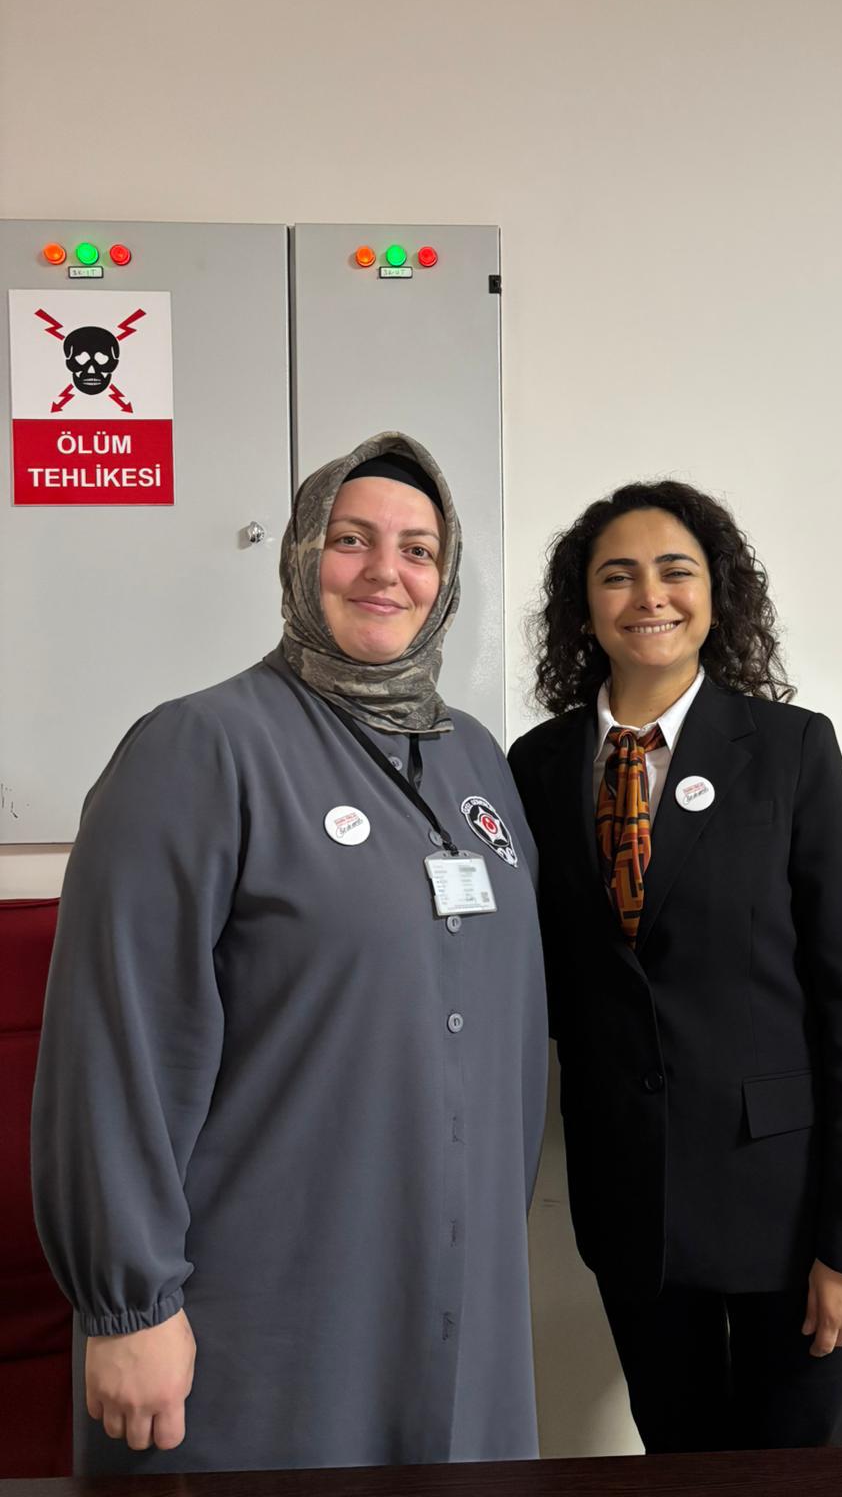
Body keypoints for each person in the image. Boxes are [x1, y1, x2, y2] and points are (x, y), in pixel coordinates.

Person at [32, 432, 547, 1473]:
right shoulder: (199, 747)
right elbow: (117, 1043)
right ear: (301, 554)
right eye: (350, 540)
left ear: (446, 579)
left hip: (458, 1293)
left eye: (418, 549)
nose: (385, 571)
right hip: (262, 1302)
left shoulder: (478, 763)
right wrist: (131, 1305)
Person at [508, 480, 842, 1454]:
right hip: (630, 1207)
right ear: (583, 608)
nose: (650, 594)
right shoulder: (537, 765)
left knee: (800, 1477)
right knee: (675, 1464)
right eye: (618, 575)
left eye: (675, 570)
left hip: (788, 1214)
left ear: (716, 594)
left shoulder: (791, 750)